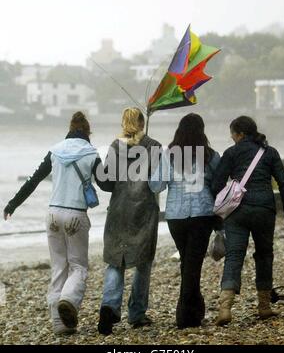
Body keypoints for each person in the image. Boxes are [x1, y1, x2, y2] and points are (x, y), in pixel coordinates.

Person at [3, 112, 103, 335]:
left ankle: (60, 324)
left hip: (52, 215)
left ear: (69, 128)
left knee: (59, 268)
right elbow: (106, 184)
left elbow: (34, 179)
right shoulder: (91, 153)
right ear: (87, 131)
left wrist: (13, 204)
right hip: (76, 215)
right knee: (77, 266)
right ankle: (68, 300)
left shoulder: (55, 151)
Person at [211, 116, 284, 326]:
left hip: (237, 212)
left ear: (239, 134)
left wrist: (224, 203)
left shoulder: (231, 153)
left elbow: (216, 184)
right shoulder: (270, 152)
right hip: (264, 210)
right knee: (265, 255)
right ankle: (264, 306)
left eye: (232, 134)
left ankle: (225, 308)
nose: (231, 138)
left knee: (234, 256)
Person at [149, 113, 221, 329]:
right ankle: (185, 317)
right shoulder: (210, 155)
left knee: (188, 263)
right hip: (203, 214)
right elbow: (219, 183)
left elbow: (156, 186)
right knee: (192, 264)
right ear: (202, 131)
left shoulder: (168, 155)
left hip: (176, 217)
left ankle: (194, 309)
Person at [97, 107, 161, 335]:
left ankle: (109, 306)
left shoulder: (115, 146)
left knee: (116, 260)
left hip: (119, 210)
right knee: (143, 262)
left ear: (124, 123)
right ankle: (136, 314)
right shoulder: (154, 146)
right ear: (143, 123)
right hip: (144, 210)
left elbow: (106, 183)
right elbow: (157, 182)